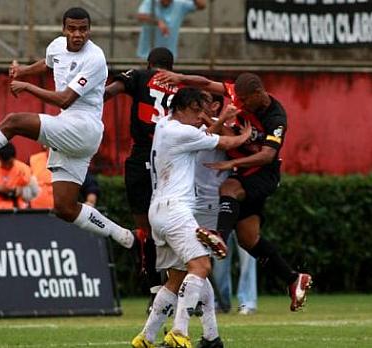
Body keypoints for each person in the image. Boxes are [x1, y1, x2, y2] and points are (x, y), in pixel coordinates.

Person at [0, 7, 134, 249]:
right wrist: (24, 71)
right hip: (73, 131)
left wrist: (27, 86)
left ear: (89, 31)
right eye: (72, 29)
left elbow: (65, 100)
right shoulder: (57, 46)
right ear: (63, 30)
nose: (77, 34)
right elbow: (49, 64)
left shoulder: (94, 58)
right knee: (64, 207)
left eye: (83, 29)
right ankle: (127, 238)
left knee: (13, 122)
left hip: (83, 127)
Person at [156, 71, 312, 311]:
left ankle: (219, 235)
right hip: (244, 174)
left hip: (262, 173)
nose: (239, 105)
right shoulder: (238, 94)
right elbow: (207, 83)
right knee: (249, 240)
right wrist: (180, 78)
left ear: (258, 94)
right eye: (236, 99)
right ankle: (293, 279)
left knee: (228, 187)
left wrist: (231, 164)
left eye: (244, 101)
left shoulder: (276, 118)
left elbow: (268, 155)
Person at [131, 87, 251, 348]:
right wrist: (246, 135)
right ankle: (179, 331)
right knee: (201, 267)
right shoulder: (183, 132)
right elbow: (226, 142)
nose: (200, 116)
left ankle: (148, 337)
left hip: (159, 210)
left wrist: (216, 121)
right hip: (177, 209)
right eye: (196, 111)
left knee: (176, 278)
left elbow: (203, 133)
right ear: (182, 109)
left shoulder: (164, 124)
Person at [104, 47, 176, 309]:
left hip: (141, 155)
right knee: (169, 227)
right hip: (169, 159)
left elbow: (112, 90)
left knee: (145, 230)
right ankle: (176, 288)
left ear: (149, 64)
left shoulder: (140, 75)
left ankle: (154, 290)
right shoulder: (180, 85)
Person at [193, 93, 258, 315]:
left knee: (247, 251)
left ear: (215, 105)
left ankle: (247, 302)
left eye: (201, 103)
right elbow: (209, 135)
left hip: (236, 197)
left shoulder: (230, 126)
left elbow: (239, 141)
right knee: (219, 256)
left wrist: (220, 121)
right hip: (207, 203)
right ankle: (222, 301)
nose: (197, 107)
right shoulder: (193, 129)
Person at [136, 0, 206, 59]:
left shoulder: (179, 4)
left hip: (169, 56)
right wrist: (158, 22)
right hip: (147, 55)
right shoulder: (151, 2)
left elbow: (201, 6)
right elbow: (140, 16)